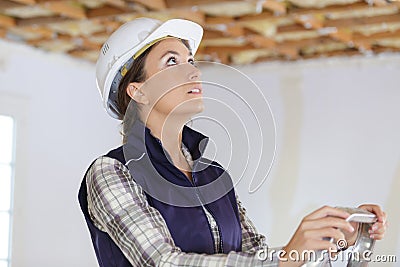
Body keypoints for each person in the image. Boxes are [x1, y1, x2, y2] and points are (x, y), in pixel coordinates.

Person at [78, 17, 387, 267]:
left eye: (191, 60)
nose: (193, 70)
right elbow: (164, 262)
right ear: (138, 91)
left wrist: (335, 238)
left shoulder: (214, 175)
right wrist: (286, 258)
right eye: (172, 61)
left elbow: (257, 257)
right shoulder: (112, 172)